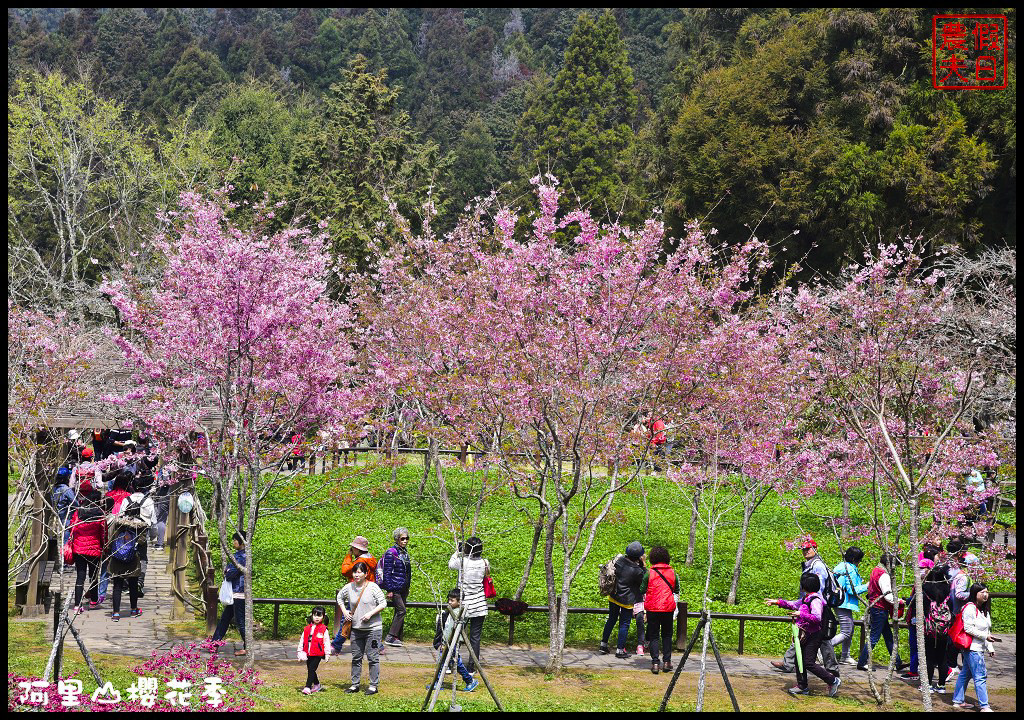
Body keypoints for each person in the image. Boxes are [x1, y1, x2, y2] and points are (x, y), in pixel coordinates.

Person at [766, 572, 842, 697]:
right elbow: (793, 604)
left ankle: (833, 680)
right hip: (805, 633)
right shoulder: (806, 598)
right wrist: (777, 602)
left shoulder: (816, 600)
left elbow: (817, 618)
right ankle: (802, 686)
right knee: (798, 659)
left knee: (808, 662)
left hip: (814, 635)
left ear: (804, 585)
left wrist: (800, 614)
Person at [773, 539, 839, 676]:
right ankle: (789, 662)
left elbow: (818, 589)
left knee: (821, 638)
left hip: (816, 606)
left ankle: (832, 669)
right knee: (804, 634)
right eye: (803, 549)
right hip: (809, 604)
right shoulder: (810, 564)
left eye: (808, 549)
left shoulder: (818, 566)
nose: (805, 551)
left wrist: (810, 604)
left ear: (815, 548)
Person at [339, 561, 387, 696]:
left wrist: (370, 614)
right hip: (356, 629)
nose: (356, 574)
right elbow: (339, 598)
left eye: (360, 572)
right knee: (356, 657)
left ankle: (373, 685)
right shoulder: (349, 587)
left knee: (373, 657)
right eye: (355, 572)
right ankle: (355, 684)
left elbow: (383, 603)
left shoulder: (373, 587)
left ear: (366, 574)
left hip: (373, 629)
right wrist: (345, 611)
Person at [857, 553, 906, 671]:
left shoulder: (875, 570)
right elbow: (887, 596)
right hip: (880, 609)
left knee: (888, 636)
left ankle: (897, 662)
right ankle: (862, 662)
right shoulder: (884, 575)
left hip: (875, 607)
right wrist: (900, 601)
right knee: (874, 637)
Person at [952, 583, 997, 711]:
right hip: (972, 648)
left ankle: (958, 700)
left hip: (978, 647)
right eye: (982, 592)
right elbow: (968, 628)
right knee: (980, 676)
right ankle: (984, 706)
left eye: (987, 592)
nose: (985, 594)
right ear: (974, 594)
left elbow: (987, 631)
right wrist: (985, 637)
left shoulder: (984, 610)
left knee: (965, 674)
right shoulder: (970, 608)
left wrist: (990, 647)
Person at [448, 536, 490, 673]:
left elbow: (450, 564)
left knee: (456, 634)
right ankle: (472, 667)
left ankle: (450, 663)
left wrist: (457, 551)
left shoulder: (462, 561)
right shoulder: (485, 562)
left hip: (464, 604)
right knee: (475, 638)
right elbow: (486, 575)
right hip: (479, 604)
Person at [331, 536, 378, 653]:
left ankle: (336, 645)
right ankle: (378, 646)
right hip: (367, 593)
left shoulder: (360, 562)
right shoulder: (371, 559)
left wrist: (348, 556)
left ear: (357, 549)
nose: (352, 549)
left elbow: (345, 571)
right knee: (365, 621)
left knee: (347, 619)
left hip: (357, 593)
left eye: (353, 547)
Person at [427, 588, 480, 693]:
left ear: (459, 601)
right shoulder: (451, 612)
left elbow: (450, 630)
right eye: (449, 600)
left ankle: (469, 680)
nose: (449, 602)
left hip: (451, 642)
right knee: (443, 662)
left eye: (452, 600)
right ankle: (438, 682)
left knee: (454, 663)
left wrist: (444, 642)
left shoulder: (457, 614)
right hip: (448, 641)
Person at [600, 541, 646, 659]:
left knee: (611, 619)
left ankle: (603, 644)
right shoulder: (638, 571)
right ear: (639, 556)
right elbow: (643, 581)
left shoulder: (619, 561)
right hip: (627, 599)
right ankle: (620, 650)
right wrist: (643, 565)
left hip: (614, 595)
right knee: (624, 624)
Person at [105, 495, 148, 621]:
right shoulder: (141, 525)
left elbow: (111, 538)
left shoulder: (118, 522)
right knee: (133, 585)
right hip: (132, 559)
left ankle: (116, 613)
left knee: (117, 586)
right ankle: (134, 610)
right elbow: (142, 542)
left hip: (117, 558)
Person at [69, 484, 106, 612]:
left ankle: (77, 605)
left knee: (80, 576)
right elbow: (103, 533)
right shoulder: (100, 513)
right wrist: (104, 546)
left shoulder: (78, 512)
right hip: (94, 549)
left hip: (79, 548)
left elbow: (72, 528)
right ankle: (94, 601)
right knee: (93, 576)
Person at [211, 531, 249, 656]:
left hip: (239, 592)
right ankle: (214, 643)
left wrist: (227, 571)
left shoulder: (242, 557)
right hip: (235, 592)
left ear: (241, 541)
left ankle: (247, 647)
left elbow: (230, 573)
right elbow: (228, 571)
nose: (233, 542)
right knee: (225, 619)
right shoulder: (239, 555)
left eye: (235, 540)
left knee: (241, 621)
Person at [643, 545, 678, 674]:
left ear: (652, 558)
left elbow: (642, 589)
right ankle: (667, 662)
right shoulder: (673, 573)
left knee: (654, 636)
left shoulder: (649, 573)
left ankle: (655, 663)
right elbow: (676, 589)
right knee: (667, 635)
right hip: (668, 608)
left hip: (653, 608)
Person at [831, 546, 868, 665]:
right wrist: (867, 586)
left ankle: (845, 655)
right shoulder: (850, 569)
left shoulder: (841, 566)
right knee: (846, 631)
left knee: (849, 630)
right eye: (859, 560)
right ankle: (823, 648)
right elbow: (852, 590)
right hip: (843, 603)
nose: (859, 562)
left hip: (840, 601)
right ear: (854, 559)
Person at [922, 565, 952, 694]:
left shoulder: (925, 590)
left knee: (929, 657)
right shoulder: (947, 591)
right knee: (942, 658)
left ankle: (928, 684)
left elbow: (921, 609)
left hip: (929, 629)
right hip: (944, 629)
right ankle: (941, 685)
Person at [381, 527, 412, 647]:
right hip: (395, 587)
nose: (405, 541)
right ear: (397, 539)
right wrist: (389, 589)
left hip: (403, 587)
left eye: (406, 538)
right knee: (401, 610)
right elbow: (387, 572)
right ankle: (390, 636)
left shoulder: (404, 552)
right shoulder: (391, 552)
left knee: (399, 611)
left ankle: (396, 636)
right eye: (402, 538)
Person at [297, 606, 331, 695]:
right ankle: (317, 684)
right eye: (315, 615)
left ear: (323, 617)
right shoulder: (307, 628)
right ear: (312, 616)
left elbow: (326, 642)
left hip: (318, 653)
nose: (317, 617)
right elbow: (302, 640)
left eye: (319, 616)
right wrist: (300, 652)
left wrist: (327, 654)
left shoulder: (324, 629)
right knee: (310, 669)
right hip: (308, 652)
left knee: (312, 669)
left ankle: (307, 687)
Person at [52, 467, 77, 546]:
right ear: (67, 478)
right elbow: (76, 504)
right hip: (66, 519)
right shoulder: (67, 490)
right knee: (65, 543)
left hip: (56, 518)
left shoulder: (53, 489)